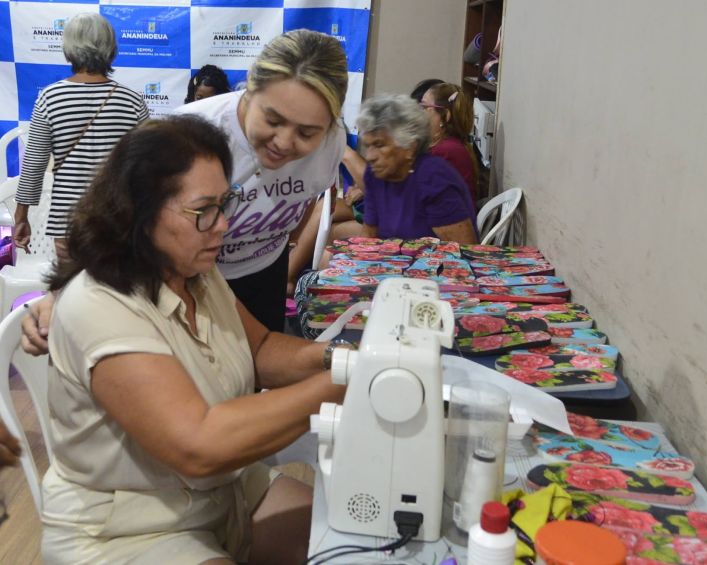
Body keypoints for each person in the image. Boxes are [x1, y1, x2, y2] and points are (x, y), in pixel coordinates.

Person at [36, 115, 346, 564]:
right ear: (139, 214)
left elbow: (258, 349)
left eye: (226, 203)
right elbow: (198, 444)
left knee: (351, 541)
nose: (222, 224)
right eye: (204, 210)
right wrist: (344, 380)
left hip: (220, 493)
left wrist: (340, 356)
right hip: (127, 527)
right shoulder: (99, 305)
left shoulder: (194, 271)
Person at [174, 29, 348, 331]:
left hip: (264, 269)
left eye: (306, 133)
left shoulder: (332, 140)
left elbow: (307, 200)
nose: (283, 142)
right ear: (249, 90)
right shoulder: (186, 135)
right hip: (180, 275)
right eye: (272, 120)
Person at [14, 13, 149, 260]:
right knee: (116, 297)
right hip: (118, 222)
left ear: (69, 48)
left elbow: (34, 164)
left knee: (69, 295)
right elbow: (147, 167)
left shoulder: (50, 98)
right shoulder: (132, 101)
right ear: (111, 47)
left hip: (68, 223)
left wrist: (21, 216)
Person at [357, 94, 478, 243]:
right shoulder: (374, 175)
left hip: (439, 264)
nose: (370, 156)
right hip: (391, 263)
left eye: (379, 145)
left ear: (410, 147)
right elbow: (368, 239)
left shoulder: (433, 179)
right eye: (368, 146)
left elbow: (463, 250)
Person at [420, 83, 479, 208]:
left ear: (445, 116)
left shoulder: (446, 151)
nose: (419, 113)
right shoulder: (448, 145)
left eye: (425, 107)